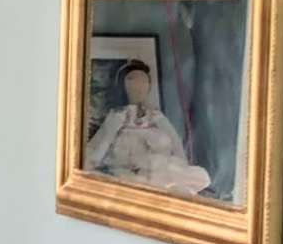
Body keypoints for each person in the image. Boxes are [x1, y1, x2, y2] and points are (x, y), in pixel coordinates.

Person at [84, 58, 213, 195]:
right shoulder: (116, 117)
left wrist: (180, 165)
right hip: (129, 176)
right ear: (122, 84)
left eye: (144, 81)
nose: (138, 86)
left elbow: (177, 147)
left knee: (191, 180)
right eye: (131, 80)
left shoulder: (157, 118)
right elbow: (98, 149)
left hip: (163, 172)